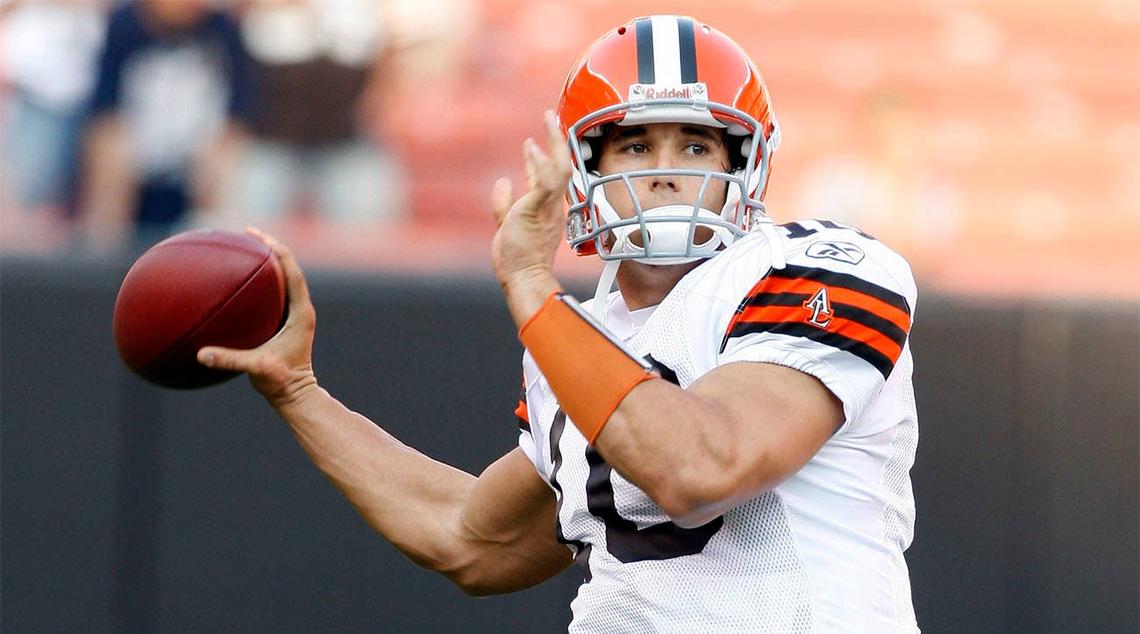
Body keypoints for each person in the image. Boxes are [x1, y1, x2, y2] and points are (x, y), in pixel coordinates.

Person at [198, 15, 920, 632]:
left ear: (748, 163)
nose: (666, 172)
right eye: (635, 146)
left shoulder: (821, 267)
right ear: (583, 170)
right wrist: (298, 392)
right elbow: (468, 538)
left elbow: (703, 467)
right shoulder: (572, 339)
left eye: (696, 146)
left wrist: (534, 290)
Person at [78, 0, 254, 252]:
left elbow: (239, 112)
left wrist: (213, 147)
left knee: (221, 160)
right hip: (138, 144)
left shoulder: (223, 29)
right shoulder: (124, 24)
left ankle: (216, 259)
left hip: (198, 148)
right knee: (111, 150)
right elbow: (105, 110)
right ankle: (104, 254)